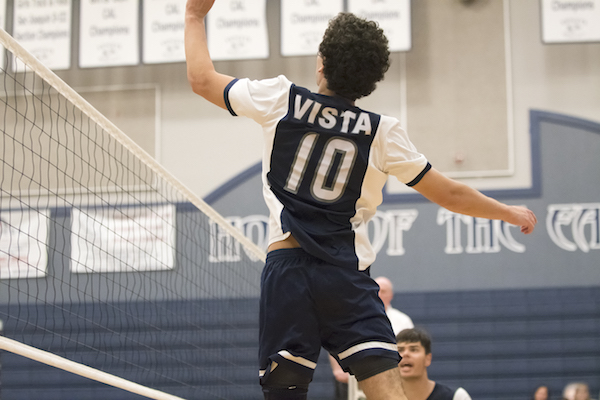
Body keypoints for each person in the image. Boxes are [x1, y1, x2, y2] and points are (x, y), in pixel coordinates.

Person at [185, 1, 538, 398]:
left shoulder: (281, 99)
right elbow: (450, 194)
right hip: (345, 278)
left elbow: (201, 80)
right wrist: (507, 212)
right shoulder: (382, 132)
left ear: (321, 62)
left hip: (288, 272)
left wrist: (194, 16)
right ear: (371, 81)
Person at [329, 276, 414, 399]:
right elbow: (335, 341)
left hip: (392, 373)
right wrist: (338, 370)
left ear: (391, 295)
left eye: (383, 291)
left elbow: (410, 347)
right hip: (356, 373)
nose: (379, 294)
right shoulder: (355, 315)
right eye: (376, 290)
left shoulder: (403, 320)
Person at [396, 328, 471, 400]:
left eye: (413, 349)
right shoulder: (385, 396)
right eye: (400, 350)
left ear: (428, 358)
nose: (405, 354)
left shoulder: (456, 397)